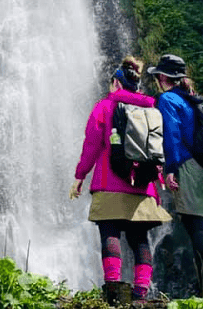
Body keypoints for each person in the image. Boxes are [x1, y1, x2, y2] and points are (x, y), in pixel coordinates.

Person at [70, 56, 172, 304]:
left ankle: (113, 290)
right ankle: (140, 294)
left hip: (109, 182)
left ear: (116, 82)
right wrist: (158, 178)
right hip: (143, 184)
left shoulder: (104, 107)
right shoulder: (151, 109)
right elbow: (158, 147)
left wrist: (80, 176)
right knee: (140, 240)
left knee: (110, 233)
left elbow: (92, 145)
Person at [148, 54, 203, 299]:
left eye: (157, 75)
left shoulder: (168, 99)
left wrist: (170, 168)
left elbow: (171, 135)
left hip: (188, 167)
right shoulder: (195, 100)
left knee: (196, 227)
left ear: (163, 77)